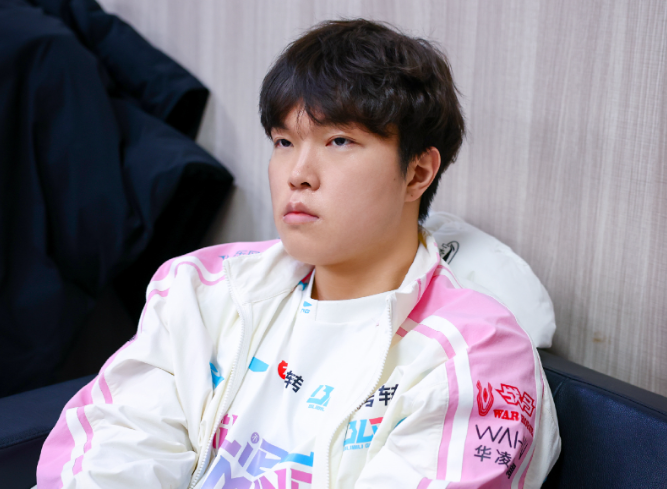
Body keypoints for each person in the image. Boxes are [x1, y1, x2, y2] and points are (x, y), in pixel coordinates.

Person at [37, 19, 560, 488]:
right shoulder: (205, 291)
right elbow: (114, 449)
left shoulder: (474, 355)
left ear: (417, 173)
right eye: (284, 142)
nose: (297, 174)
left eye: (339, 142)